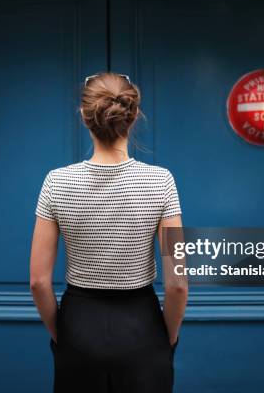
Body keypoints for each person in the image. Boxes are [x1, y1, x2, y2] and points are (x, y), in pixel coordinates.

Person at [29, 72, 188, 393]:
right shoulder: (162, 182)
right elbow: (178, 284)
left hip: (78, 327)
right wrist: (166, 339)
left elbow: (38, 282)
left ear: (85, 118)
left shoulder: (56, 182)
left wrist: (62, 335)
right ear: (134, 116)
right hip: (142, 327)